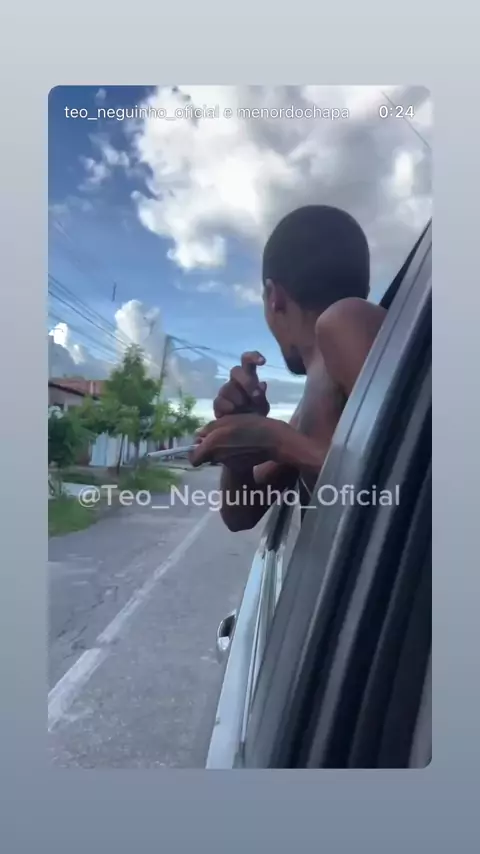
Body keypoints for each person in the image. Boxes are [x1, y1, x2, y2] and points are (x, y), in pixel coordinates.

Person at [189, 205, 387, 530]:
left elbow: (410, 483)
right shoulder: (313, 395)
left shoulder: (346, 320)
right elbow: (241, 515)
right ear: (365, 290)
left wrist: (278, 442)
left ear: (274, 296)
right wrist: (241, 441)